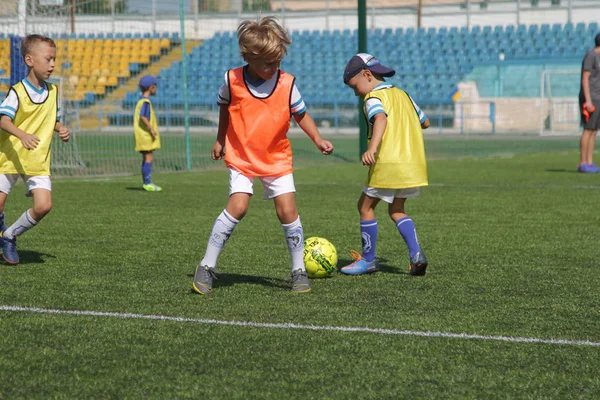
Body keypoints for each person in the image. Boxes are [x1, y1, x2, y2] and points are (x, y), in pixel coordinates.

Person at [192, 16, 334, 295]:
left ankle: (298, 271)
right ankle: (206, 267)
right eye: (268, 63)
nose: (274, 68)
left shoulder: (287, 84)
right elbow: (224, 107)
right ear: (249, 58)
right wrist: (220, 139)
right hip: (242, 156)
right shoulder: (231, 80)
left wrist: (317, 139)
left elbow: (301, 115)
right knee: (239, 206)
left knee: (287, 211)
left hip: (276, 158)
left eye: (278, 62)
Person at [340, 53, 430, 276]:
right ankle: (416, 255)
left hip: (388, 163)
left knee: (365, 207)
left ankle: (369, 259)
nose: (355, 92)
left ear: (367, 75)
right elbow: (425, 122)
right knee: (397, 209)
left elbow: (380, 118)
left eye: (354, 86)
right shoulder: (404, 95)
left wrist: (372, 148)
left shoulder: (372, 98)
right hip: (412, 164)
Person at [0, 34, 70, 264]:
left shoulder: (54, 92)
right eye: (48, 59)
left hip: (37, 159)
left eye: (54, 59)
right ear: (30, 60)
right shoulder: (17, 92)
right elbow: (4, 121)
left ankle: (9, 235)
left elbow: (52, 120)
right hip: (9, 157)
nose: (53, 64)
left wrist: (60, 129)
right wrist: (22, 135)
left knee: (44, 206)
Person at [134, 74, 162, 191]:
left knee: (146, 158)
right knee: (149, 158)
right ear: (151, 88)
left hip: (141, 135)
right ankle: (147, 183)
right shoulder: (146, 102)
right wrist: (151, 128)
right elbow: (143, 117)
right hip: (145, 135)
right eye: (155, 85)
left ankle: (146, 182)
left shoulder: (141, 101)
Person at [577, 33, 600, 173]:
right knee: (587, 129)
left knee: (594, 131)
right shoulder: (591, 56)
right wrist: (588, 100)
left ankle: (590, 162)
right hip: (590, 98)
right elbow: (585, 79)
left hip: (599, 98)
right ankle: (583, 162)